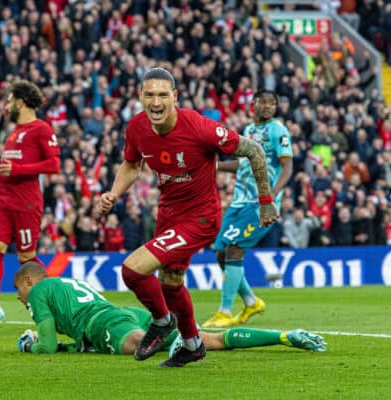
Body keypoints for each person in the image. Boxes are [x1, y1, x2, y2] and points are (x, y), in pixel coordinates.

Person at [99, 68, 279, 367]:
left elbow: (254, 150)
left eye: (162, 95)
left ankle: (161, 321)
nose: (156, 102)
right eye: (149, 95)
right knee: (169, 284)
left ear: (175, 97)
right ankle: (193, 344)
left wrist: (266, 201)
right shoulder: (136, 128)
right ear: (140, 97)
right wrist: (114, 193)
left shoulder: (199, 127)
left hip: (201, 218)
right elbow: (131, 165)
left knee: (132, 271)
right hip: (168, 214)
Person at [14, 262, 326, 358]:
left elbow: (48, 346)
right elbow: (68, 346)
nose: (19, 297)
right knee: (208, 339)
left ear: (28, 280)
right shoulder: (65, 283)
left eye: (18, 289)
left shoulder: (39, 290)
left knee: (138, 344)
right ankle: (284, 335)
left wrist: (30, 346)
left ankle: (173, 342)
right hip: (121, 313)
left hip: (104, 322)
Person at [0, 80, 61, 322]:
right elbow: (7, 169)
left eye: (10, 100)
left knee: (25, 256)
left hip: (26, 202)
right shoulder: (13, 133)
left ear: (20, 102)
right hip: (1, 198)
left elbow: (54, 164)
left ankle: (57, 297)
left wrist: (19, 169)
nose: (6, 105)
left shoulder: (41, 129)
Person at [203, 90, 293, 328]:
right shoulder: (248, 132)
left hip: (259, 203)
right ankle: (251, 301)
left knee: (234, 249)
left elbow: (287, 167)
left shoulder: (278, 131)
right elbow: (243, 164)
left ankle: (224, 311)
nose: (268, 106)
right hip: (238, 201)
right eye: (263, 102)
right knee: (221, 251)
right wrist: (216, 167)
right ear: (253, 105)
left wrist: (270, 198)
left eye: (272, 102)